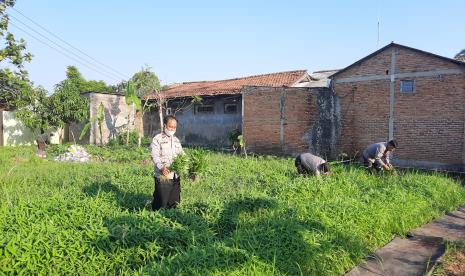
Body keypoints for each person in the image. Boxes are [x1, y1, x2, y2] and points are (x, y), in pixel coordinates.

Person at [150, 115, 184, 210]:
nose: (172, 129)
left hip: (175, 176)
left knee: (174, 202)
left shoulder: (176, 140)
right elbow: (154, 156)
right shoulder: (157, 139)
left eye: (174, 127)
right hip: (163, 176)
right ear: (165, 126)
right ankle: (155, 219)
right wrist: (162, 167)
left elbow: (182, 155)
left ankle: (172, 219)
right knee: (161, 202)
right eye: (170, 126)